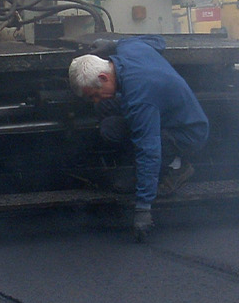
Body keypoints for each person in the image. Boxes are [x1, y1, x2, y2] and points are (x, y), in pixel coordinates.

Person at [68, 36, 210, 240]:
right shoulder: (128, 49)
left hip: (187, 133)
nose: (95, 99)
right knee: (108, 118)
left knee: (148, 142)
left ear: (104, 77)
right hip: (165, 112)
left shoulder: (141, 99)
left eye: (95, 93)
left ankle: (177, 167)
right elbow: (158, 42)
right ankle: (146, 169)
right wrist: (112, 43)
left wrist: (143, 208)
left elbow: (148, 150)